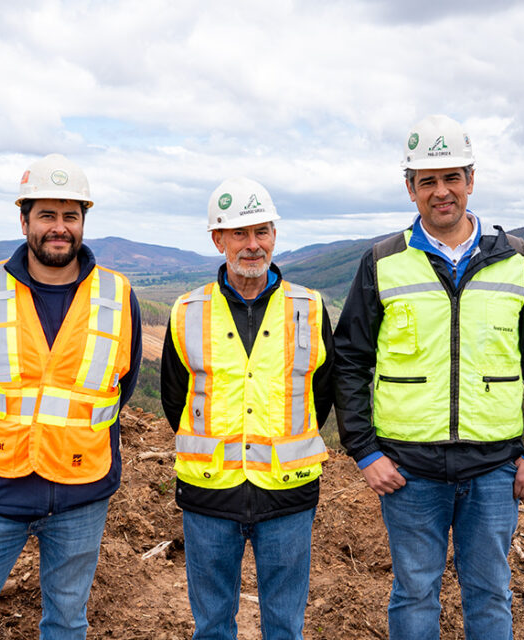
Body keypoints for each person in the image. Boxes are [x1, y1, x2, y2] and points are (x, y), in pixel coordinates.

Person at [333, 115, 524, 639]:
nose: (441, 192)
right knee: (414, 592)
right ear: (410, 189)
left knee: (489, 593)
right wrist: (365, 452)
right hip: (407, 469)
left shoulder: (517, 261)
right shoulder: (382, 262)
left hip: (494, 469)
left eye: (451, 178)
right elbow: (349, 360)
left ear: (470, 179)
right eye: (427, 181)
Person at [0, 153, 142, 640]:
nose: (59, 227)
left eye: (70, 216)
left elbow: (117, 391)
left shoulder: (117, 293)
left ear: (83, 222)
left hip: (81, 492)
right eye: (47, 215)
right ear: (24, 220)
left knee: (66, 625)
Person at [160, 177, 334, 640]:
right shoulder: (187, 310)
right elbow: (174, 399)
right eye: (239, 233)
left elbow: (324, 391)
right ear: (218, 239)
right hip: (209, 494)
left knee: (285, 626)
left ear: (275, 235)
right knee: (214, 625)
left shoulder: (310, 308)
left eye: (262, 232)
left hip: (288, 494)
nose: (253, 245)